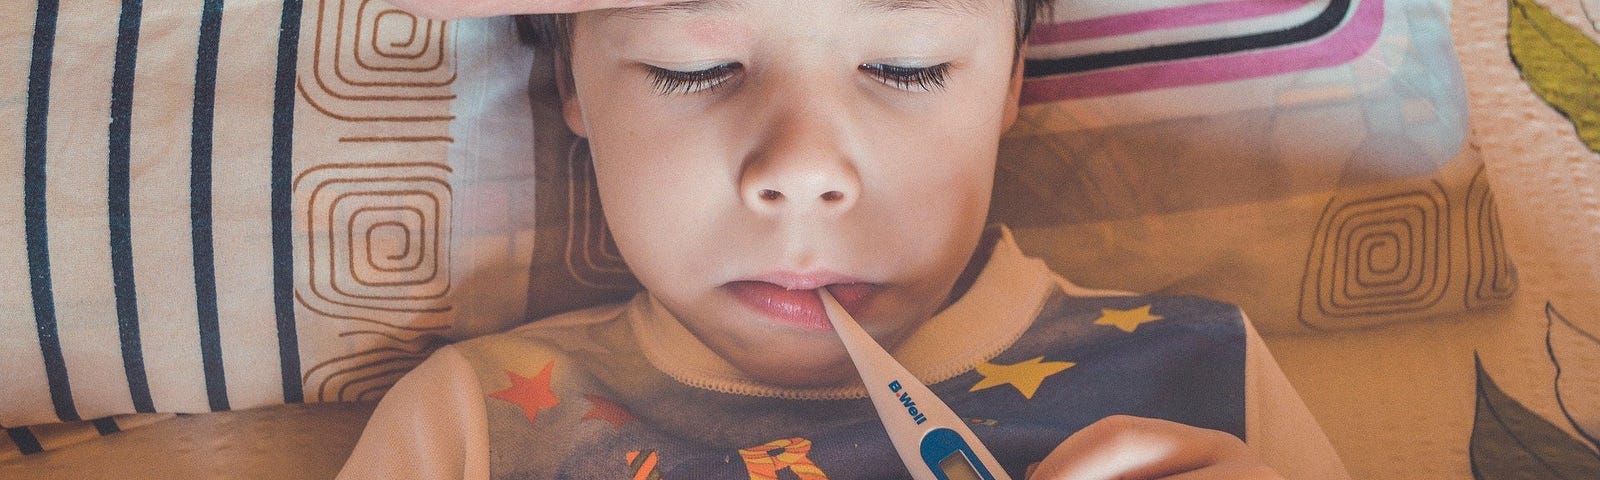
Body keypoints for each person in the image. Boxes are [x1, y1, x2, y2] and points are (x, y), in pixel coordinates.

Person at [338, 0, 1350, 478]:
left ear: (1009, 82)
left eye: (905, 67)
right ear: (572, 84)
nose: (803, 167)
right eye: (690, 70)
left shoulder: (1194, 374)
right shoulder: (481, 422)